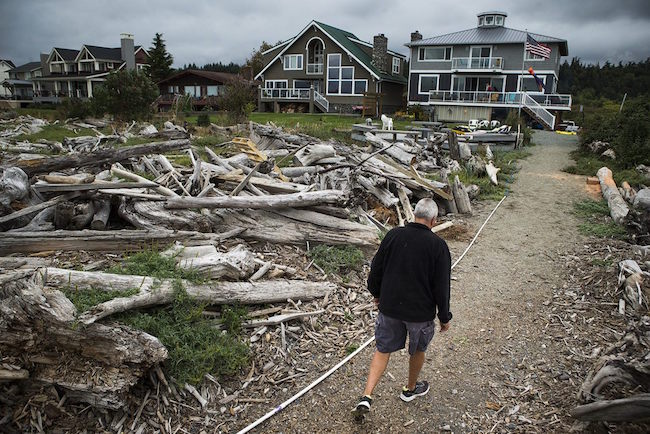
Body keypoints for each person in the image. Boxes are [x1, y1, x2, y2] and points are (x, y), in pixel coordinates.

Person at [352, 198, 452, 418]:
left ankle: (367, 396)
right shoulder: (438, 246)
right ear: (434, 221)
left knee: (382, 349)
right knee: (418, 350)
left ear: (414, 214)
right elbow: (442, 287)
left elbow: (376, 269)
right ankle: (409, 389)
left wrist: (377, 295)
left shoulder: (393, 235)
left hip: (390, 308)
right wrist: (444, 317)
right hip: (420, 314)